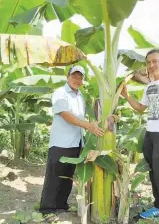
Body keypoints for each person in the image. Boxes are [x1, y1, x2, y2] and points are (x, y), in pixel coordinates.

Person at [121, 49, 159, 224]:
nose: (151, 65)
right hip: (150, 132)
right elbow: (141, 108)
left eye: (155, 61)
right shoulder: (149, 86)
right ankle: (158, 206)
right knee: (153, 172)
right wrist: (126, 96)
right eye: (148, 62)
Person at [39, 65, 104, 219]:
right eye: (74, 76)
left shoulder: (80, 96)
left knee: (68, 176)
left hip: (76, 142)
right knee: (54, 176)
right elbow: (65, 115)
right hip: (61, 142)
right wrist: (89, 126)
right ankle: (47, 209)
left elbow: (79, 118)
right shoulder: (60, 93)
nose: (77, 79)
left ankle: (61, 205)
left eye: (80, 77)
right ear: (68, 76)